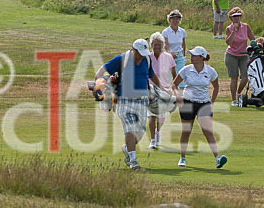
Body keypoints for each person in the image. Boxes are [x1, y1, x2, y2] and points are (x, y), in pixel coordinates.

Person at [95, 39, 162, 170]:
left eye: (144, 53)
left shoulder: (146, 60)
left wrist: (163, 90)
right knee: (130, 129)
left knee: (140, 132)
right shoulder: (122, 58)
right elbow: (102, 69)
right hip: (124, 100)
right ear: (133, 49)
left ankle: (127, 148)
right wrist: (98, 80)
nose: (142, 56)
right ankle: (133, 161)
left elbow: (152, 76)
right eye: (140, 53)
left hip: (142, 100)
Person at [171, 46, 226, 169]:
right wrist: (178, 97)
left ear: (202, 57)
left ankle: (217, 158)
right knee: (186, 131)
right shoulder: (186, 69)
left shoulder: (210, 71)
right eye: (191, 55)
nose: (192, 57)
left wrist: (212, 102)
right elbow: (174, 84)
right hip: (187, 102)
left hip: (204, 103)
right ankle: (182, 158)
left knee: (207, 131)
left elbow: (216, 87)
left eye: (195, 55)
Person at [148, 31, 176, 150]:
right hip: (150, 89)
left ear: (163, 45)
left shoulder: (168, 57)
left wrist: (174, 89)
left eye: (159, 45)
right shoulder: (147, 58)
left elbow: (175, 75)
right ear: (151, 45)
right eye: (155, 45)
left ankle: (158, 132)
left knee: (162, 117)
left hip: (165, 89)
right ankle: (153, 140)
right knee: (152, 115)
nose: (157, 47)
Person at [225, 7, 256, 106]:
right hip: (231, 55)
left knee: (245, 77)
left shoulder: (245, 27)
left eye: (238, 16)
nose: (237, 18)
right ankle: (234, 100)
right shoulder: (229, 28)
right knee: (234, 78)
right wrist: (233, 31)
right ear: (231, 18)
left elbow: (252, 39)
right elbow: (228, 42)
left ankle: (238, 93)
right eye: (234, 16)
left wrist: (253, 48)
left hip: (244, 55)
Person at [162, 9, 187, 84]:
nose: (175, 21)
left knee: (180, 76)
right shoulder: (165, 32)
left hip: (179, 56)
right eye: (173, 19)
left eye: (177, 19)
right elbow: (165, 45)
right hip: (168, 56)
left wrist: (183, 55)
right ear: (169, 20)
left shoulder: (182, 31)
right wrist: (170, 54)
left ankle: (180, 94)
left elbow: (183, 44)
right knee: (168, 77)